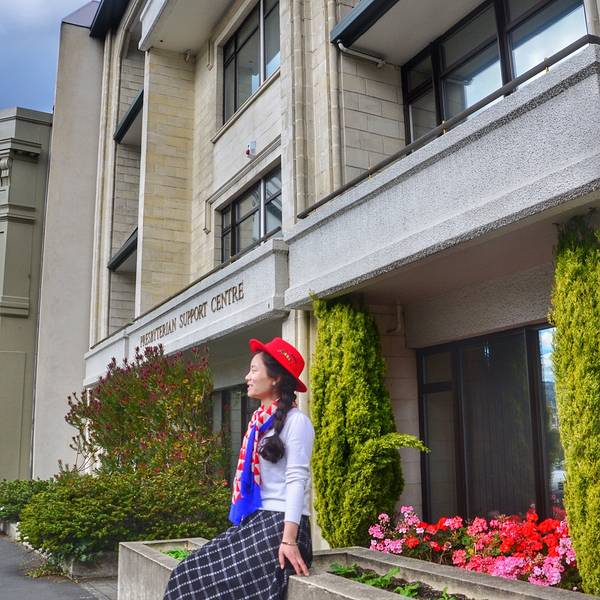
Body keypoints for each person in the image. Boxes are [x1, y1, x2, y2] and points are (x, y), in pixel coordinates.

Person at [163, 337, 315, 600]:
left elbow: (296, 481)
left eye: (254, 370)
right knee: (185, 573)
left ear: (276, 378)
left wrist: (288, 540)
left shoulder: (297, 422)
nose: (247, 376)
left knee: (207, 586)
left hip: (282, 526)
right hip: (257, 520)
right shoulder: (258, 422)